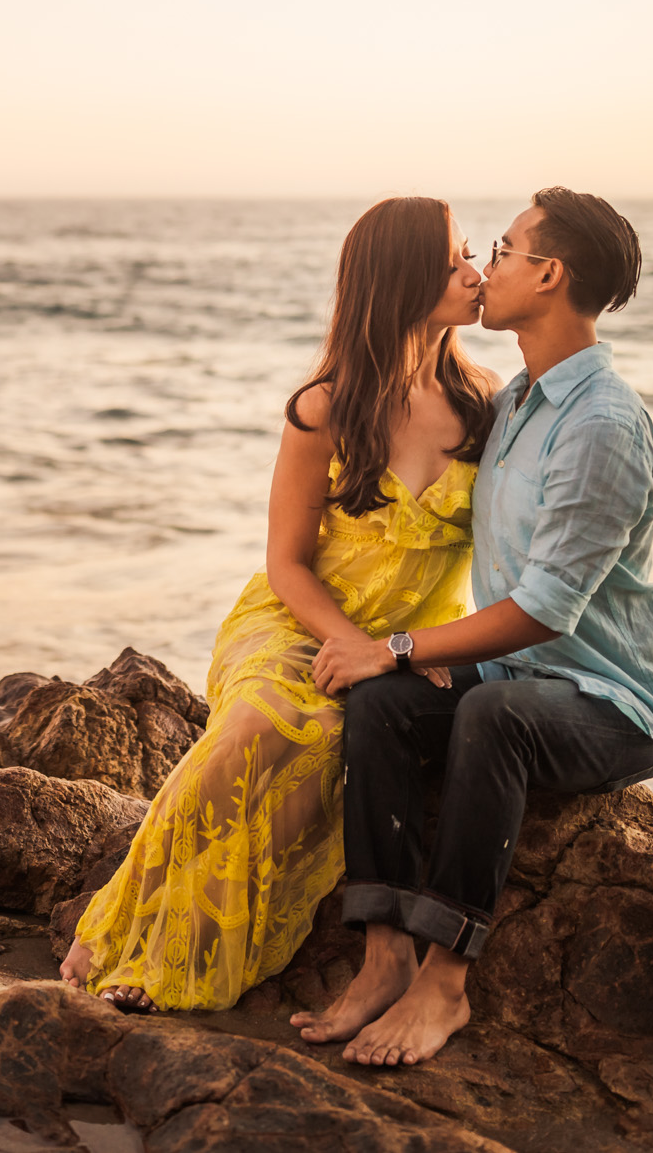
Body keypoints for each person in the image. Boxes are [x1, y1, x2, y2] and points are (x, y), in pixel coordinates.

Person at [58, 196, 500, 1011]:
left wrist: (423, 651)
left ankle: (199, 941)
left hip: (407, 640)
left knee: (338, 736)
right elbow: (287, 562)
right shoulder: (325, 406)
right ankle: (120, 923)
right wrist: (348, 644)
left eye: (473, 254)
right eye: (454, 260)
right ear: (401, 280)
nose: (476, 273)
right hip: (296, 618)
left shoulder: (486, 406)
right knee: (263, 723)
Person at [294, 186, 653, 1065]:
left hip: (606, 705)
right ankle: (385, 951)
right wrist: (397, 659)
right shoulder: (509, 406)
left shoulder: (601, 425)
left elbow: (545, 610)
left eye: (502, 249)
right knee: (384, 703)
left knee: (485, 714)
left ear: (548, 275)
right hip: (517, 676)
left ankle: (445, 980)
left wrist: (397, 643)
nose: (485, 265)